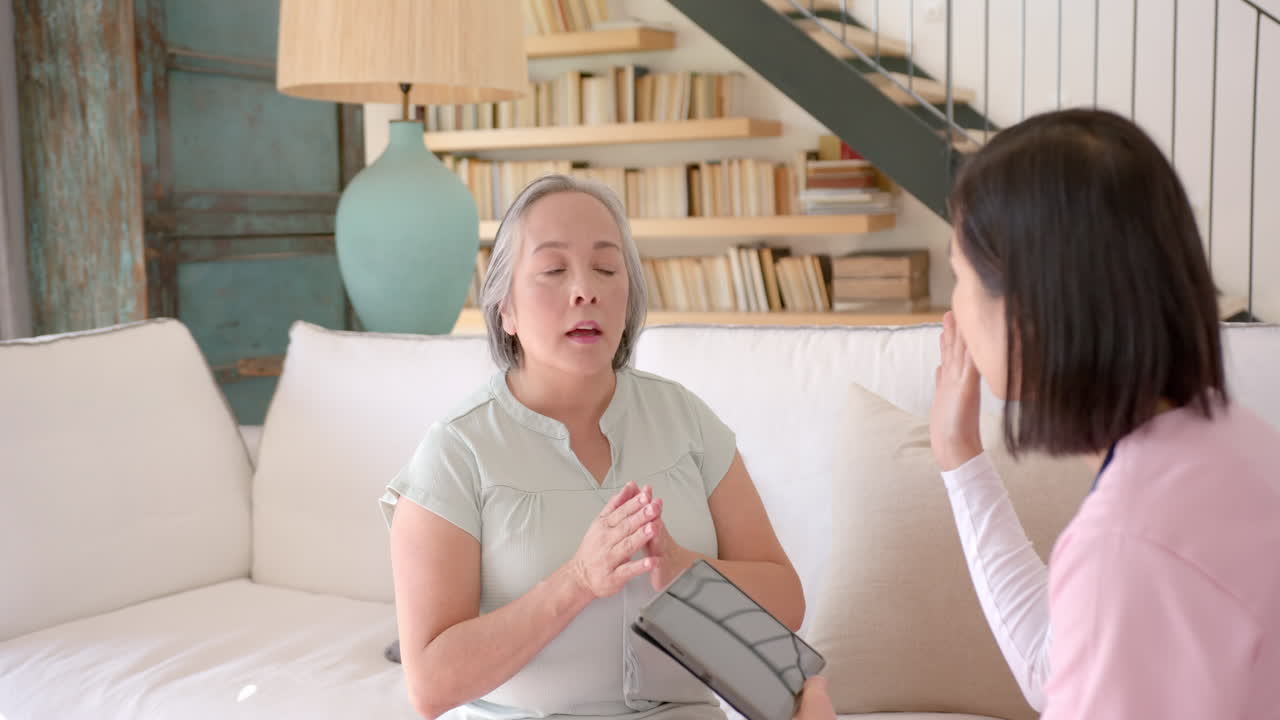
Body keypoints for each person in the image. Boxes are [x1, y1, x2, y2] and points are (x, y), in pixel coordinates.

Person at [797, 108, 1280, 719]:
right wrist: (958, 459)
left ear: (1026, 311)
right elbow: (1060, 670)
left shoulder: (1129, 545)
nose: (955, 309)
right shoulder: (1231, 441)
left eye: (960, 276)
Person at [382, 174, 805, 720]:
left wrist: (684, 571)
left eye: (606, 268)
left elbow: (787, 603)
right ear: (504, 309)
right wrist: (576, 582)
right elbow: (431, 686)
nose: (586, 290)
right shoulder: (456, 450)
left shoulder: (687, 421)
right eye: (554, 270)